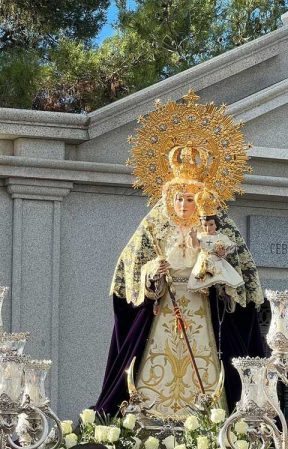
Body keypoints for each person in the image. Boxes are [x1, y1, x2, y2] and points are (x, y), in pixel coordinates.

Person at [94, 97, 264, 418]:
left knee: (209, 379)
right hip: (164, 312)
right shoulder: (154, 228)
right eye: (179, 198)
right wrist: (151, 274)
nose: (184, 205)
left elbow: (241, 283)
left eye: (190, 198)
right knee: (151, 377)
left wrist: (215, 271)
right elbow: (128, 272)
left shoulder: (217, 228)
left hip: (202, 315)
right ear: (169, 198)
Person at [188, 214, 243, 292]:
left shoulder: (221, 237)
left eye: (211, 225)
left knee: (217, 283)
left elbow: (224, 253)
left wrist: (221, 252)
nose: (208, 228)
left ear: (216, 225)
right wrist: (193, 237)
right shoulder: (201, 236)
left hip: (217, 262)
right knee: (203, 282)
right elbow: (196, 246)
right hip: (203, 263)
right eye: (205, 225)